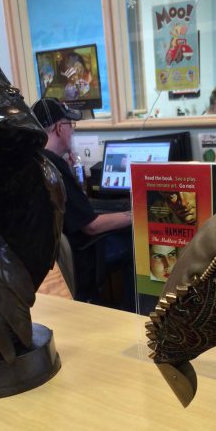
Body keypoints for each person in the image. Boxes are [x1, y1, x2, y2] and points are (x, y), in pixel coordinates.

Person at [32, 97, 135, 311]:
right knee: (134, 241)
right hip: (80, 255)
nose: (72, 131)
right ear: (60, 128)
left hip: (50, 256)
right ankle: (131, 312)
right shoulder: (55, 165)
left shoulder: (35, 159)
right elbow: (92, 226)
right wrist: (134, 216)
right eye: (71, 125)